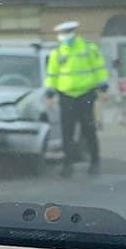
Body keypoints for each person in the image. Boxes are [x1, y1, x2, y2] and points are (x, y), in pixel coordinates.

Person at [44, 21, 109, 178]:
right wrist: (50, 94)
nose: (64, 37)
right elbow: (51, 75)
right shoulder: (57, 53)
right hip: (66, 96)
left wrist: (103, 88)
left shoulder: (88, 49)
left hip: (86, 94)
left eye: (67, 33)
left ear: (73, 32)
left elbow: (99, 69)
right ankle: (68, 166)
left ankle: (94, 162)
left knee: (88, 130)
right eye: (62, 34)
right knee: (67, 132)